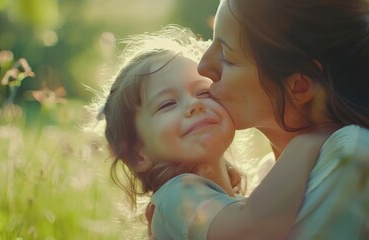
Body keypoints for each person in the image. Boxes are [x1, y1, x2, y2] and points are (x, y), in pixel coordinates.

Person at [98, 25, 335, 239]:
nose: (194, 105)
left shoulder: (239, 202)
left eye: (203, 92)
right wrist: (308, 140)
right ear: (139, 154)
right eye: (167, 104)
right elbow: (253, 229)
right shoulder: (175, 196)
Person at [197, 0, 369, 239]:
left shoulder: (350, 154)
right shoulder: (269, 172)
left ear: (298, 87)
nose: (203, 67)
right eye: (210, 41)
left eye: (227, 56)